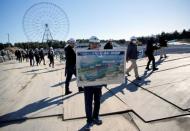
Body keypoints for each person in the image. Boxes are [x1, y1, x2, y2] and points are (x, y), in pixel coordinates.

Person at [83, 36, 103, 130]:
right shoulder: (83, 54)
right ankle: (89, 120)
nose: (94, 45)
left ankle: (95, 117)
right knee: (88, 102)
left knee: (98, 101)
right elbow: (79, 66)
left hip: (98, 82)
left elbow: (103, 66)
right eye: (93, 43)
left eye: (96, 44)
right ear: (89, 44)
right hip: (88, 83)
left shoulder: (101, 54)